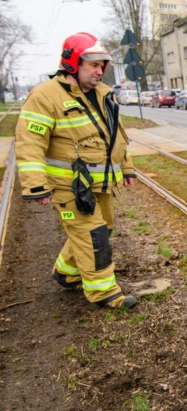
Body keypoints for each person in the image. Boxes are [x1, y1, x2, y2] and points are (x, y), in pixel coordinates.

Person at [15, 32, 138, 309]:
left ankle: (66, 272)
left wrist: (127, 167)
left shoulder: (103, 94)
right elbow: (29, 142)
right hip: (69, 187)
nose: (99, 71)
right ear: (73, 62)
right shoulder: (45, 96)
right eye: (93, 65)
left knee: (101, 230)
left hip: (102, 183)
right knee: (92, 234)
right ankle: (105, 293)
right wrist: (35, 185)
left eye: (102, 65)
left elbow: (115, 136)